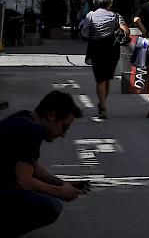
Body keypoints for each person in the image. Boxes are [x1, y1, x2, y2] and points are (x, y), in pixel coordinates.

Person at [0, 91, 87, 237]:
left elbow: (32, 166)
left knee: (39, 191)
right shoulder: (32, 131)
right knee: (50, 207)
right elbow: (25, 181)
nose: (63, 134)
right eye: (64, 127)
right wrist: (60, 192)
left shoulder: (24, 118)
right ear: (51, 116)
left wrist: (61, 184)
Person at [84, 0, 130, 119]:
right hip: (112, 50)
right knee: (107, 77)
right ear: (109, 3)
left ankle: (102, 105)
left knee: (100, 79)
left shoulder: (90, 15)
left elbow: (84, 31)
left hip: (96, 50)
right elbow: (126, 31)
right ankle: (103, 103)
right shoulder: (116, 16)